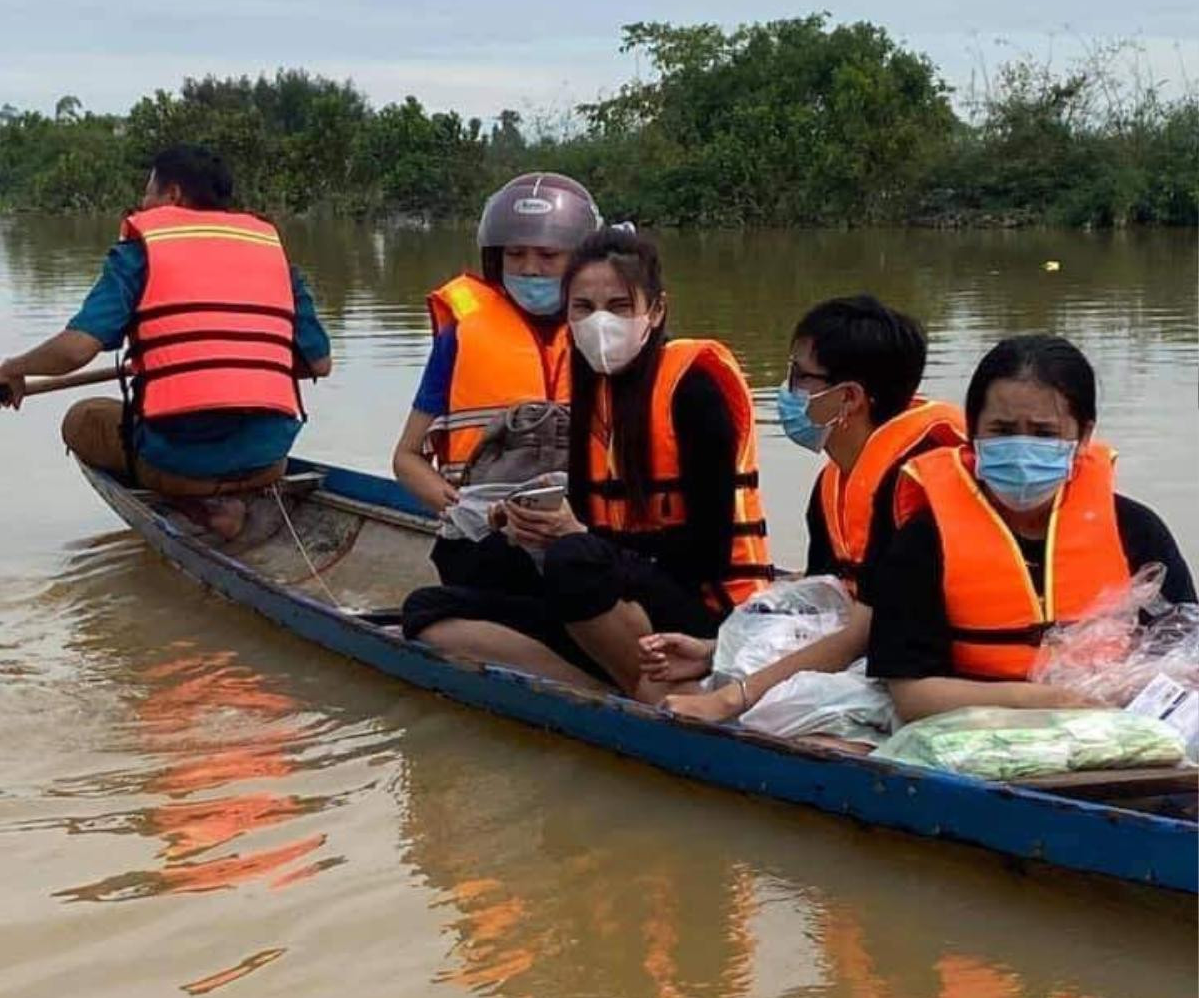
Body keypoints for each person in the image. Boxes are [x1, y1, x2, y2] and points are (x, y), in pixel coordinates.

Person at [401, 228, 772, 696]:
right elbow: (586, 515)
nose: (600, 323)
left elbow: (707, 556)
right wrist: (522, 524)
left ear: (655, 310)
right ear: (568, 313)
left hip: (706, 608)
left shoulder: (693, 388)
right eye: (584, 308)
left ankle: (654, 688)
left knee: (573, 560)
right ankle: (606, 689)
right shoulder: (594, 391)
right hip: (619, 593)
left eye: (619, 307)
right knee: (433, 600)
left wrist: (580, 540)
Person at [648, 294, 964, 723]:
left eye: (800, 376)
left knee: (761, 713)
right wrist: (712, 652)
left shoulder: (911, 486)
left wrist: (732, 698)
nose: (786, 390)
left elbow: (862, 630)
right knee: (678, 681)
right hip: (875, 650)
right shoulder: (834, 484)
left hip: (933, 668)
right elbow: (829, 603)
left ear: (849, 398)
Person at [0, 144, 330, 538]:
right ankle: (239, 495)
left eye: (148, 191)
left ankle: (197, 506)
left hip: (180, 467)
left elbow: (77, 348)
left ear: (171, 195)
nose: (142, 202)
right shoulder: (273, 255)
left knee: (82, 418)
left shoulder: (138, 253)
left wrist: (11, 368)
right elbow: (319, 363)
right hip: (269, 459)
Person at [867, 332, 1196, 722]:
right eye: (1002, 431)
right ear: (973, 434)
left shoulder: (1136, 529)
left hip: (1117, 729)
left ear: (1084, 436)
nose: (1022, 448)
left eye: (1044, 433)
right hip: (975, 733)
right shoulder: (925, 539)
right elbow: (912, 695)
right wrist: (1048, 700)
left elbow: (1184, 655)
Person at [391, 170, 602, 586]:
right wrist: (459, 509)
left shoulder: (607, 335)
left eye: (548, 255)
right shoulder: (461, 337)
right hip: (486, 539)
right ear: (496, 257)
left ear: (580, 259)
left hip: (583, 532)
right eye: (516, 254)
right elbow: (407, 458)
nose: (530, 268)